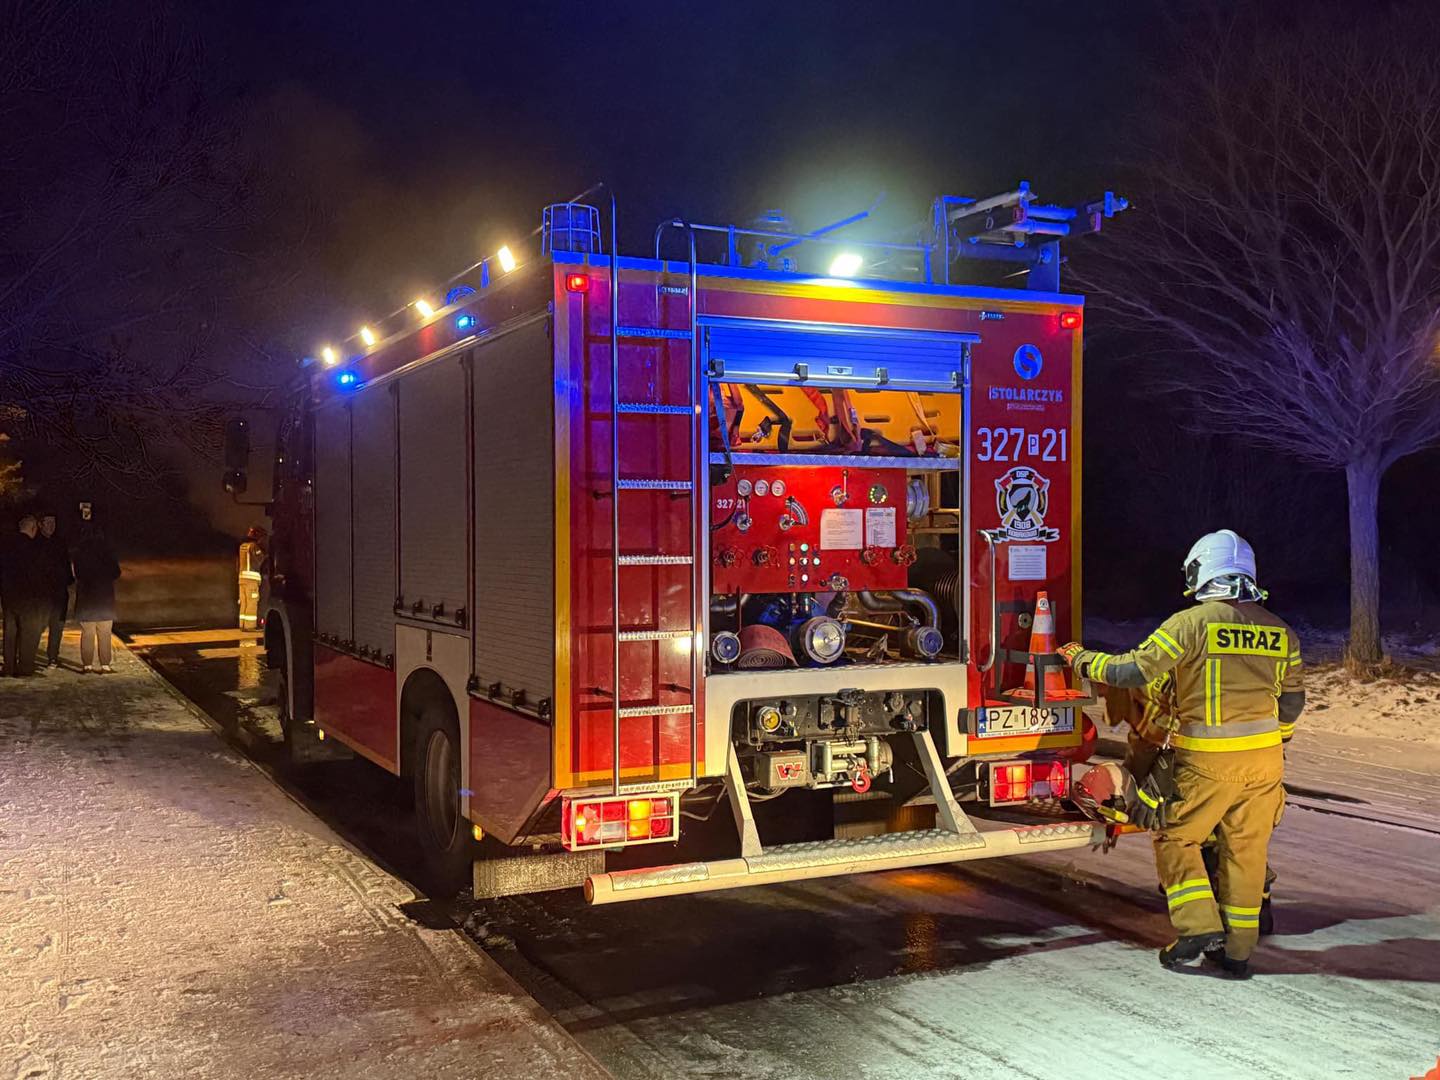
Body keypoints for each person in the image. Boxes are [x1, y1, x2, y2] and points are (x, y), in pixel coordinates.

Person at [1059, 529, 1304, 979]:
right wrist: (1276, 741)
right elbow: (1291, 703)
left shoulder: (1190, 624)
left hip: (1208, 762)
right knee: (1246, 852)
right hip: (1266, 763)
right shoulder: (1280, 631)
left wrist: (1078, 658)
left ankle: (1197, 928)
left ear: (1201, 572)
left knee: (1176, 838)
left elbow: (1130, 670)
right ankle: (1238, 952)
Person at [72, 515, 121, 673]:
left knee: (87, 633)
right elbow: (116, 572)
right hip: (104, 598)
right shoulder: (107, 551)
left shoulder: (79, 552)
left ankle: (87, 665)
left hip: (86, 598)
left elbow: (77, 574)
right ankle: (105, 665)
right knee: (105, 633)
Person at [1, 515, 48, 676]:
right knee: (29, 633)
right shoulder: (34, 548)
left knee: (10, 633)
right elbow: (38, 574)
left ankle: (8, 667)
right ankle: (25, 667)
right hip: (28, 598)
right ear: (33, 528)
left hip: (9, 597)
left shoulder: (6, 546)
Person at [38, 511, 73, 668]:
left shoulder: (60, 543)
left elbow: (66, 567)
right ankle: (29, 653)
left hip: (59, 593)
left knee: (57, 627)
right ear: (41, 524)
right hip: (41, 594)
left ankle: (53, 656)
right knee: (37, 626)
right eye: (48, 523)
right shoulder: (35, 544)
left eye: (53, 523)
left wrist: (68, 581)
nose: (51, 526)